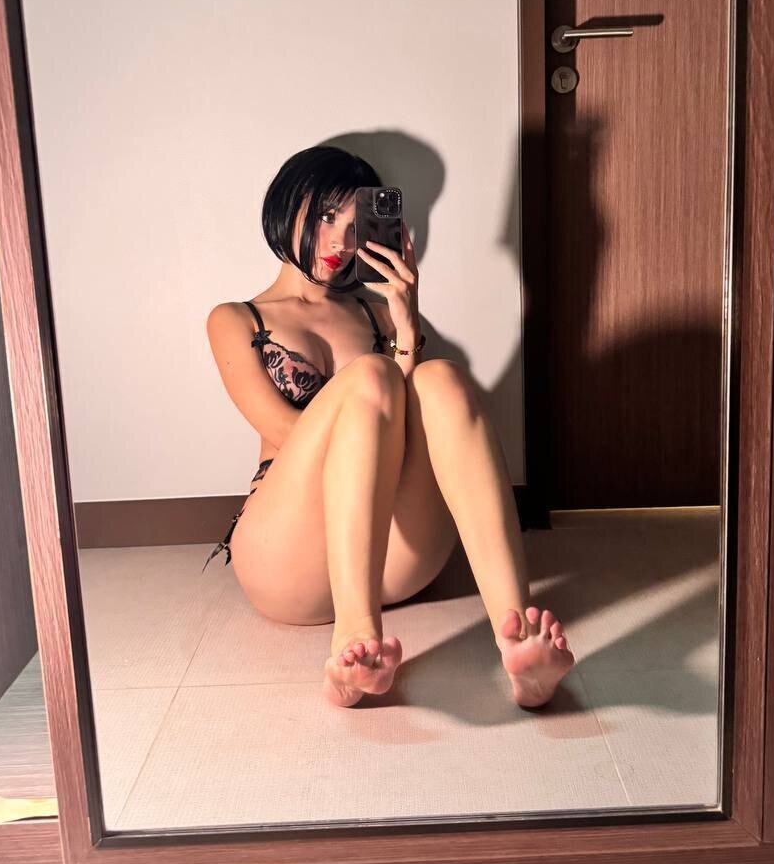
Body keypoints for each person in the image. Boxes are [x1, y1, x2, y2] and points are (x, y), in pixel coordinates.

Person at [205, 144, 575, 708]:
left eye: (356, 225)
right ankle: (353, 640)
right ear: (285, 206)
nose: (340, 240)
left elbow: (411, 429)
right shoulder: (236, 319)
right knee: (374, 375)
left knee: (443, 379)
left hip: (391, 559)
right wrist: (375, 375)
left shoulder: (376, 312)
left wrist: (405, 323)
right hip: (288, 559)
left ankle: (518, 640)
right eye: (326, 216)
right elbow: (284, 431)